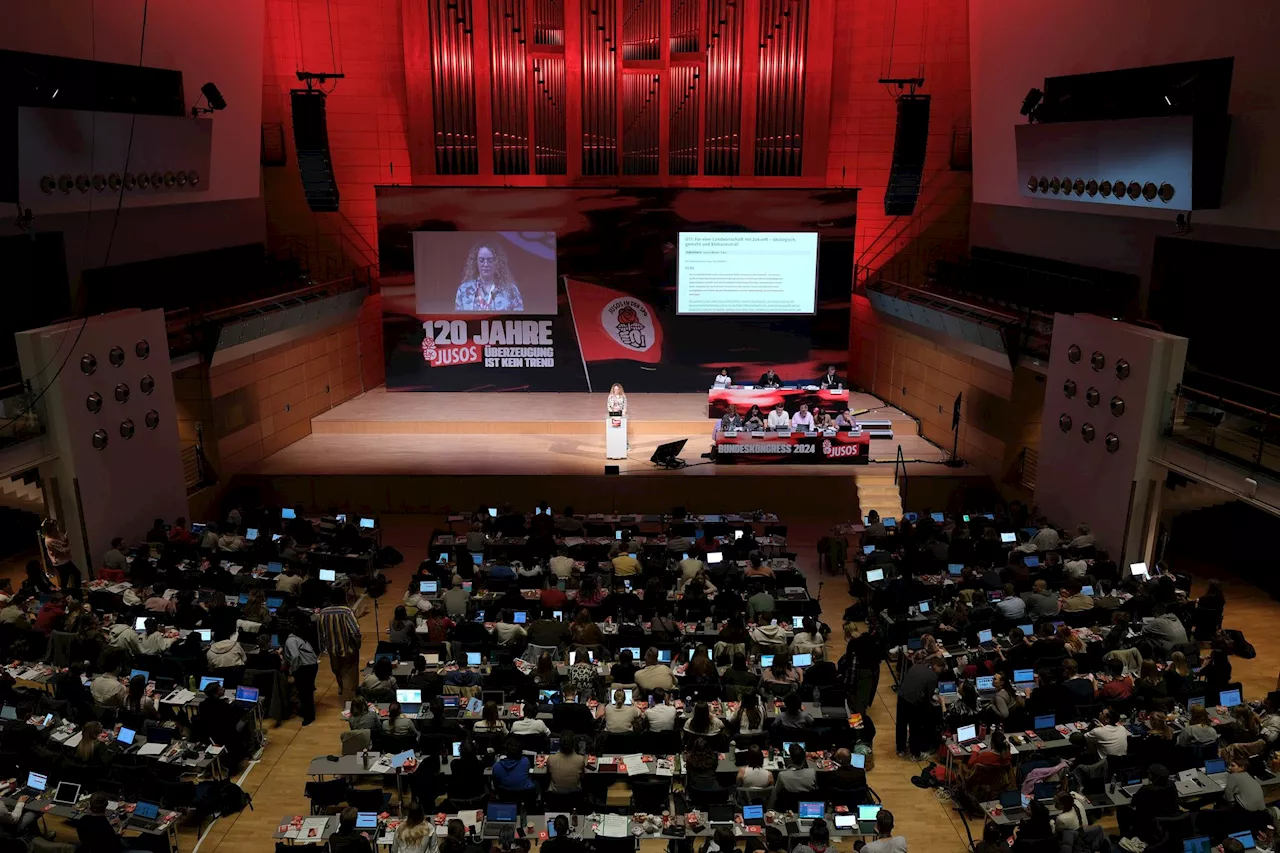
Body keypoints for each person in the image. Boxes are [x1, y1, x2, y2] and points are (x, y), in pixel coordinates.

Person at [454, 240, 524, 311]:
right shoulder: (463, 290)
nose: (486, 264)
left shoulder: (511, 290)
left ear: (497, 262)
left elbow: (519, 318)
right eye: (481, 260)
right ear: (476, 262)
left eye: (490, 260)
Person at [318, 587, 363, 696]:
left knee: (337, 670)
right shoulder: (346, 611)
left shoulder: (323, 613)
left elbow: (320, 632)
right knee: (351, 674)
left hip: (332, 650)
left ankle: (340, 686)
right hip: (348, 650)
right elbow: (355, 631)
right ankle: (352, 698)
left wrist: (323, 648)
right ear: (344, 598)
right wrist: (357, 644)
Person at [896, 655, 940, 759]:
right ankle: (915, 754)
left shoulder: (916, 666)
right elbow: (929, 696)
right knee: (915, 727)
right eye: (941, 669)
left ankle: (900, 749)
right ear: (936, 665)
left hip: (902, 696)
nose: (940, 672)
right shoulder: (933, 676)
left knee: (901, 724)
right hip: (914, 702)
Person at [76, 791, 147, 853]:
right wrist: (120, 830)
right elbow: (114, 843)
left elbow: (95, 831)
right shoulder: (105, 826)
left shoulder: (83, 820)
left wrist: (109, 824)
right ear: (106, 805)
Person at [283, 625, 319, 725]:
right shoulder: (296, 638)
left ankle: (309, 716)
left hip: (306, 667)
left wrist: (292, 670)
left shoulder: (290, 641)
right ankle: (304, 711)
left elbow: (295, 656)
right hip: (310, 665)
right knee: (304, 690)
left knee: (306, 692)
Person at [42, 518, 80, 589]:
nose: (56, 529)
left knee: (68, 578)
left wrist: (66, 541)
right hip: (60, 562)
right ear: (49, 529)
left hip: (64, 559)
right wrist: (68, 544)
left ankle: (72, 593)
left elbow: (63, 540)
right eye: (53, 528)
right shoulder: (49, 540)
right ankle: (75, 592)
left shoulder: (57, 533)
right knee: (73, 576)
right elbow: (64, 550)